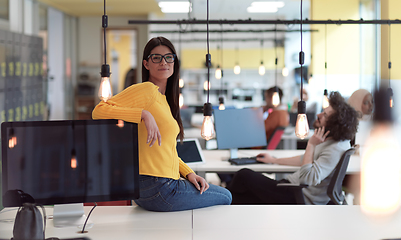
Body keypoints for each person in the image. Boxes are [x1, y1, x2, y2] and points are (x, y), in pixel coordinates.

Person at [92, 36, 232, 212]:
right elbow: (98, 111)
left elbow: (166, 151)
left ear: (174, 62)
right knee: (226, 196)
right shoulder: (146, 90)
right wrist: (143, 114)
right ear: (146, 64)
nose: (163, 62)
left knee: (217, 195)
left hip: (153, 188)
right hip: (158, 186)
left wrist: (189, 173)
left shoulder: (164, 100)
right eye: (156, 57)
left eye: (168, 57)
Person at [226, 91, 359, 205]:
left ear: (335, 124)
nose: (319, 115)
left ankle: (223, 198)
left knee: (243, 175)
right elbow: (304, 159)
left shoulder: (335, 148)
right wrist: (274, 160)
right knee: (241, 198)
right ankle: (225, 201)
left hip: (295, 194)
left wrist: (311, 144)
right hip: (292, 188)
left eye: (325, 115)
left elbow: (307, 178)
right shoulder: (333, 142)